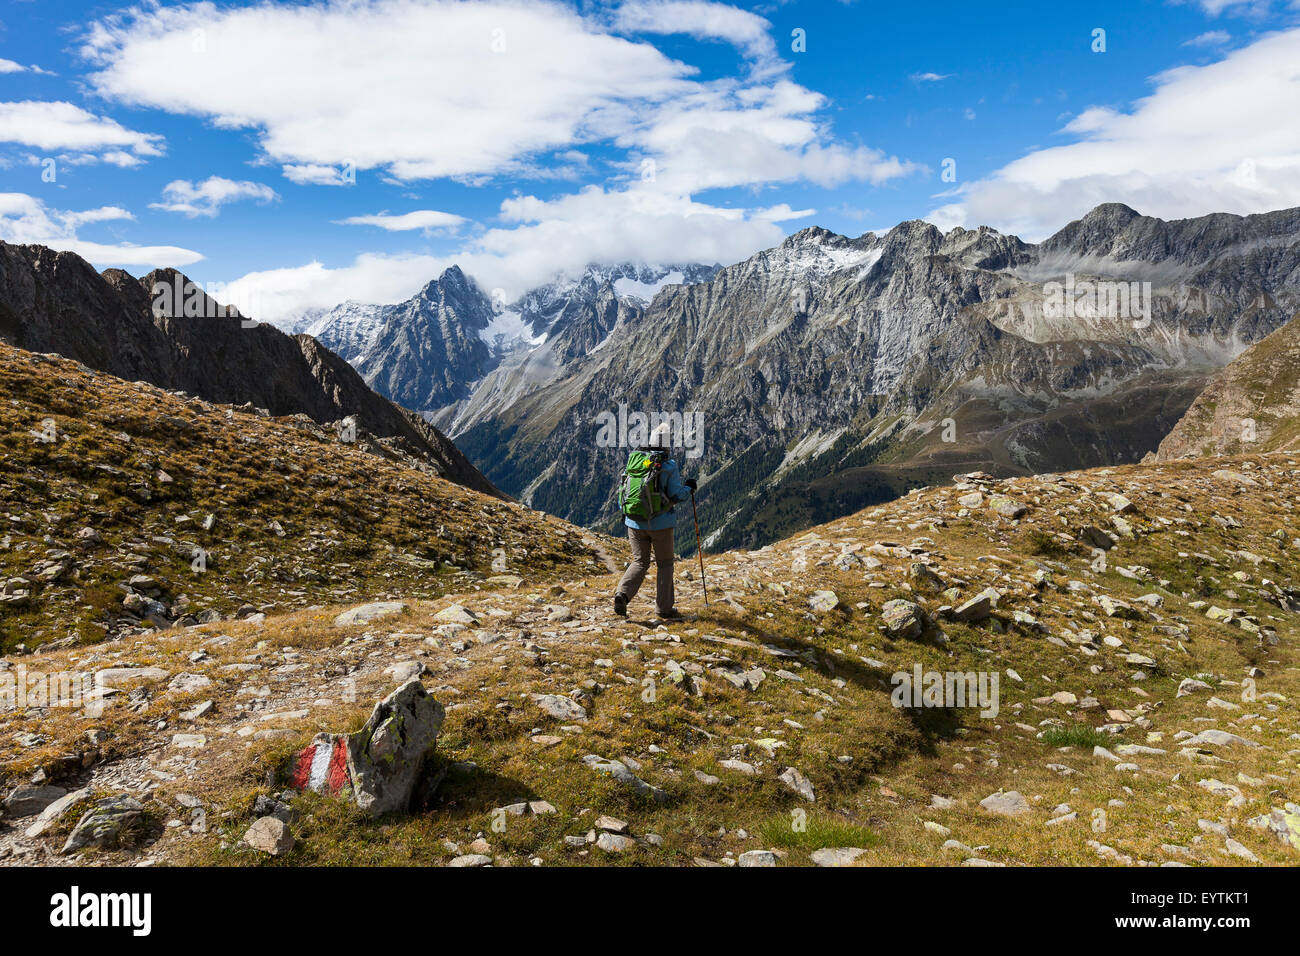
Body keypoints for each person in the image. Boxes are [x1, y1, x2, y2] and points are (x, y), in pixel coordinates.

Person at [613, 422, 696, 619]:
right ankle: (664, 609)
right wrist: (689, 488)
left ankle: (622, 594)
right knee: (665, 564)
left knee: (640, 561)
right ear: (667, 445)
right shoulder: (668, 466)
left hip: (633, 522)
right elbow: (676, 495)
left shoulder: (635, 460)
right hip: (660, 525)